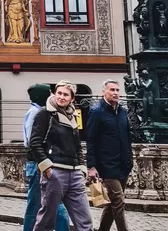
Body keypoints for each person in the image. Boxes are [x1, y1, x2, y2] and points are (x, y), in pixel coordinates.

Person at [29, 80, 93, 231]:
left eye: (66, 94)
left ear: (72, 98)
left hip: (75, 173)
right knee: (46, 220)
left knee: (85, 221)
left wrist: (82, 168)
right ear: (54, 94)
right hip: (55, 172)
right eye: (59, 93)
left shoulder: (72, 116)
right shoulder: (45, 114)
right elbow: (34, 142)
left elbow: (77, 145)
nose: (61, 97)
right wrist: (47, 167)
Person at [87, 79, 134, 231]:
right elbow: (91, 140)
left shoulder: (122, 112)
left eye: (117, 90)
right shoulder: (97, 112)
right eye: (111, 90)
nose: (115, 93)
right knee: (119, 201)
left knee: (113, 202)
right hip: (107, 165)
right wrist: (92, 166)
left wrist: (129, 160)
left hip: (123, 164)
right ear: (104, 92)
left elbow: (127, 138)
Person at [23, 83, 69, 231]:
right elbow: (32, 141)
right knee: (51, 202)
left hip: (38, 163)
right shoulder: (37, 113)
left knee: (38, 203)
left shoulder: (36, 111)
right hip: (39, 163)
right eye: (49, 93)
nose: (52, 96)